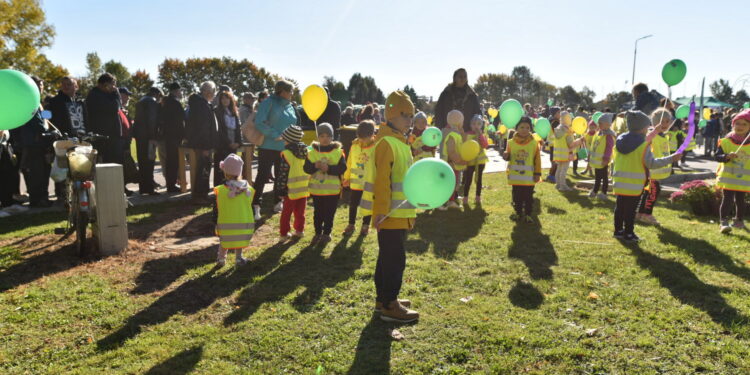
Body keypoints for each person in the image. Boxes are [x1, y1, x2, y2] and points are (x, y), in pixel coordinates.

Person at [361, 90, 419, 323]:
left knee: (388, 258)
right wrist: (381, 212)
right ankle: (389, 304)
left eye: (412, 116)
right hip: (390, 216)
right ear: (392, 115)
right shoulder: (387, 143)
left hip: (400, 213)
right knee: (394, 260)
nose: (410, 121)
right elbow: (382, 181)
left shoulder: (401, 143)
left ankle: (383, 299)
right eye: (406, 115)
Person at [612, 111, 681, 242]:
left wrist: (654, 131)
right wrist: (671, 158)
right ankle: (629, 234)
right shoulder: (644, 145)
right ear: (643, 128)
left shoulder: (620, 140)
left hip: (619, 182)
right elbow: (652, 163)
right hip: (634, 184)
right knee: (630, 211)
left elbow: (643, 138)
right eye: (647, 126)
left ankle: (618, 231)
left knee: (620, 207)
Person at [252, 80, 298, 219]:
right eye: (290, 91)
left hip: (284, 148)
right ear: (282, 91)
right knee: (262, 176)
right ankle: (255, 205)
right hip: (267, 146)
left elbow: (293, 125)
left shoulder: (290, 106)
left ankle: (278, 201)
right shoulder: (268, 102)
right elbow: (259, 122)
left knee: (281, 176)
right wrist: (276, 135)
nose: (292, 94)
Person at [303, 123, 346, 244]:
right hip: (317, 190)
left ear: (332, 137)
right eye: (322, 136)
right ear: (318, 137)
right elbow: (306, 168)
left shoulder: (338, 152)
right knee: (318, 213)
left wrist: (330, 169)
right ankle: (317, 232)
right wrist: (314, 166)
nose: (325, 138)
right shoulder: (311, 152)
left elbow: (342, 168)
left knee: (329, 213)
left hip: (332, 191)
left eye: (328, 136)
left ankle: (327, 233)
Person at [213, 153, 253, 267]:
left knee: (224, 241)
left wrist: (214, 220)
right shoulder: (248, 189)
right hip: (242, 222)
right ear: (240, 171)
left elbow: (216, 207)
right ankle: (239, 258)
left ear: (225, 171)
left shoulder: (220, 190)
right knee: (239, 240)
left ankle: (221, 259)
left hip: (225, 223)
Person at [635, 109, 674, 226]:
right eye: (662, 121)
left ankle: (640, 213)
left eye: (667, 121)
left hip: (657, 171)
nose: (665, 124)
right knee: (653, 192)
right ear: (655, 122)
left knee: (649, 193)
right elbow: (645, 141)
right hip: (651, 171)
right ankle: (647, 214)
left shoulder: (664, 136)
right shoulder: (652, 134)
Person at [715, 109, 750, 233]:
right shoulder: (725, 142)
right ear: (733, 124)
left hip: (744, 180)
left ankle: (739, 220)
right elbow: (717, 157)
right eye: (737, 123)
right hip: (728, 178)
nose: (740, 126)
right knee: (728, 199)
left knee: (741, 200)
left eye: (744, 124)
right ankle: (723, 221)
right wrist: (726, 157)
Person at [503, 116, 541, 222]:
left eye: (527, 128)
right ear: (517, 128)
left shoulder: (534, 143)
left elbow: (537, 160)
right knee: (517, 197)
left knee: (528, 197)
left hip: (529, 177)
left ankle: (528, 214)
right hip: (516, 177)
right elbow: (508, 156)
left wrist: (537, 173)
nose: (525, 130)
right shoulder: (510, 142)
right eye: (522, 127)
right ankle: (518, 212)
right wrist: (505, 155)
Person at [185, 81, 218, 203]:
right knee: (203, 169)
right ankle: (199, 196)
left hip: (201, 143)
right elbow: (203, 127)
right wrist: (205, 147)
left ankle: (202, 194)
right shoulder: (201, 105)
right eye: (213, 92)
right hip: (202, 144)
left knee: (204, 168)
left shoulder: (200, 104)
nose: (214, 95)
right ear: (207, 92)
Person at [275, 125, 308, 241]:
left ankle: (284, 234)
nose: (283, 141)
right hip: (304, 187)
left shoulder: (287, 154)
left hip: (290, 189)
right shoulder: (306, 152)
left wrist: (280, 188)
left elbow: (283, 173)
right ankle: (299, 231)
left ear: (288, 140)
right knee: (300, 211)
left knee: (286, 213)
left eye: (284, 139)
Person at [343, 120, 376, 236]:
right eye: (360, 137)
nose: (361, 140)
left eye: (364, 138)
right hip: (356, 182)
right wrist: (346, 177)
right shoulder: (354, 146)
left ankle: (365, 225)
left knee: (367, 204)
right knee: (353, 204)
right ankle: (351, 224)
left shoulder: (377, 146)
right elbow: (349, 162)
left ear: (372, 135)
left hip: (369, 182)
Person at [86, 73, 124, 164]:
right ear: (105, 84)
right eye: (113, 84)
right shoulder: (95, 95)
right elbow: (115, 108)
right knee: (108, 165)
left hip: (110, 136)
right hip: (104, 138)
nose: (115, 87)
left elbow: (118, 106)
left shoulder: (105, 95)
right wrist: (116, 93)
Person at [133, 87, 163, 195]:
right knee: (149, 162)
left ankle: (143, 188)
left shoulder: (140, 101)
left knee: (142, 163)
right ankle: (149, 188)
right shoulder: (152, 102)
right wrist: (153, 137)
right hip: (149, 137)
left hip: (140, 137)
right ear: (157, 94)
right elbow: (152, 120)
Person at [434, 68, 481, 132]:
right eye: (460, 76)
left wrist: (477, 128)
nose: (463, 79)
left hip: (466, 131)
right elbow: (438, 111)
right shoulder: (446, 93)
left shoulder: (472, 95)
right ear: (455, 78)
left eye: (465, 76)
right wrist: (440, 128)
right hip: (447, 130)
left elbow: (477, 113)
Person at [438, 110, 467, 210]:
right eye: (462, 121)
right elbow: (451, 151)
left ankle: (451, 200)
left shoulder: (448, 132)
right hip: (451, 164)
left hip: (449, 163)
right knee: (449, 183)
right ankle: (442, 202)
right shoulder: (452, 134)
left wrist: (462, 134)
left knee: (452, 183)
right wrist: (459, 161)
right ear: (458, 122)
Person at [213, 91, 242, 187]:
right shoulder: (216, 111)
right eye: (223, 98)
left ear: (231, 99)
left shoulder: (234, 111)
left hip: (233, 144)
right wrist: (228, 142)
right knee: (221, 169)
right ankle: (218, 191)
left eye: (227, 98)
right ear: (220, 100)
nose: (225, 100)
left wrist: (238, 142)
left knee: (233, 168)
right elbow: (219, 130)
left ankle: (232, 188)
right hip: (222, 145)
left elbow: (238, 128)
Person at [160, 82, 185, 192]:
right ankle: (171, 185)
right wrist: (184, 135)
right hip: (174, 137)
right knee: (173, 162)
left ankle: (171, 184)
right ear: (176, 91)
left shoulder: (167, 102)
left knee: (171, 161)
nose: (181, 93)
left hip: (168, 136)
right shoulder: (175, 103)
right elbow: (181, 121)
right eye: (180, 90)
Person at [462, 114, 489, 205]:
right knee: (468, 180)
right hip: (470, 162)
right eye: (473, 124)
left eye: (478, 124)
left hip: (480, 161)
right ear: (470, 125)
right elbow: (464, 147)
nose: (476, 126)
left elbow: (485, 145)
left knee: (479, 179)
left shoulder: (483, 134)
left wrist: (480, 135)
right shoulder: (467, 134)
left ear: (481, 125)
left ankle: (478, 197)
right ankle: (465, 197)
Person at [587, 113, 615, 200]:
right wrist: (590, 155)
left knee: (604, 177)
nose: (598, 125)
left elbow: (609, 148)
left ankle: (603, 192)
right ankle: (595, 191)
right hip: (598, 161)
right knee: (598, 177)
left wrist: (606, 159)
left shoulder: (609, 135)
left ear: (607, 124)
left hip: (603, 161)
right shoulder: (599, 133)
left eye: (600, 123)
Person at [552, 111, 582, 191]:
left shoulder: (558, 128)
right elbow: (571, 144)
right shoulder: (567, 130)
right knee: (564, 170)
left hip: (558, 154)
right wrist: (579, 141)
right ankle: (563, 186)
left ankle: (558, 184)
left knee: (559, 169)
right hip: (566, 153)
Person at [118, 87, 137, 196]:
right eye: (126, 95)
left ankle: (124, 187)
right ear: (120, 95)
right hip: (122, 142)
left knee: (126, 165)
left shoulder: (123, 108)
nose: (128, 97)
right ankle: (122, 188)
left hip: (126, 142)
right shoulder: (118, 108)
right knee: (123, 165)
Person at [545, 107, 561, 182]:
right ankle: (552, 175)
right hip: (554, 144)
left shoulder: (555, 121)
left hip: (553, 144)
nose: (560, 114)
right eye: (558, 112)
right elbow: (558, 133)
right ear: (554, 114)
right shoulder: (555, 122)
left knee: (554, 160)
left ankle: (552, 174)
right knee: (555, 161)